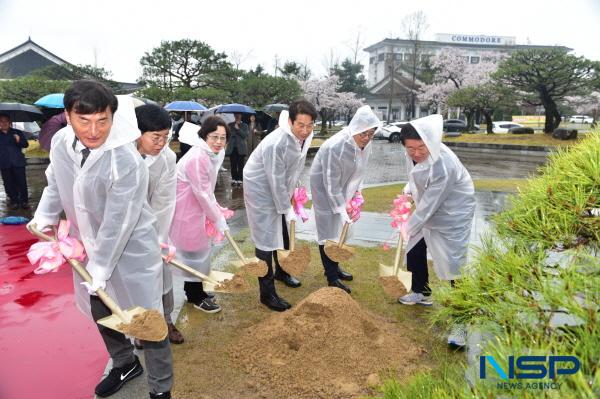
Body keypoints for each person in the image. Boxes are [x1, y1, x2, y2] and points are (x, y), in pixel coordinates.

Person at [28, 81, 173, 398]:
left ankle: (161, 389)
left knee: (149, 319)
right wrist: (45, 214)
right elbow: (56, 182)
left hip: (132, 248)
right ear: (67, 116)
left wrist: (102, 267)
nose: (94, 130)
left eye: (102, 120)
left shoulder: (126, 160)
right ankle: (124, 363)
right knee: (99, 307)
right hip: (88, 241)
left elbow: (118, 223)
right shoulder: (62, 143)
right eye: (84, 120)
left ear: (112, 116)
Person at [397, 114, 475, 347]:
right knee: (415, 249)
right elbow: (418, 179)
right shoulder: (413, 153)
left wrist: (407, 226)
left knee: (454, 266)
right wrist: (408, 191)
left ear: (430, 142)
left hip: (452, 215)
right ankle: (421, 291)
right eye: (410, 148)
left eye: (421, 148)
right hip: (429, 208)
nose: (416, 153)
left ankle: (461, 322)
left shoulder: (445, 163)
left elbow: (431, 203)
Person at [243, 100, 317, 312]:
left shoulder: (305, 136)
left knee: (283, 230)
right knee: (266, 239)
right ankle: (267, 293)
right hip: (260, 188)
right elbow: (274, 179)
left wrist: (294, 192)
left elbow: (294, 168)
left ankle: (282, 271)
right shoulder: (277, 143)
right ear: (290, 122)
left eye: (309, 125)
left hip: (280, 185)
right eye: (300, 125)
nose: (305, 130)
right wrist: (286, 208)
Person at [310, 105, 382, 294]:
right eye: (363, 134)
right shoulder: (336, 146)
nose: (366, 138)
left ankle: (336, 267)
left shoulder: (365, 144)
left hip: (343, 187)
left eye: (371, 133)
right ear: (355, 128)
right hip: (324, 191)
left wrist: (357, 192)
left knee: (339, 229)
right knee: (327, 233)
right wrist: (340, 208)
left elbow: (360, 170)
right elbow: (330, 183)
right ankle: (331, 276)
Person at [134, 104, 184, 346]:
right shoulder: (121, 156)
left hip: (154, 226)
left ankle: (166, 318)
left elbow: (164, 202)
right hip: (122, 229)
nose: (161, 143)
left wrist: (156, 240)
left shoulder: (168, 158)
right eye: (156, 137)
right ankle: (140, 326)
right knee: (132, 282)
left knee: (161, 273)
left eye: (166, 137)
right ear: (137, 133)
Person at [169, 117, 230, 314]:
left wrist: (215, 210)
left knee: (198, 251)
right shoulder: (198, 157)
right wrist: (217, 218)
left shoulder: (209, 153)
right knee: (192, 253)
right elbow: (202, 192)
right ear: (204, 136)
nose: (219, 142)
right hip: (187, 209)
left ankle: (195, 290)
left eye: (223, 137)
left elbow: (206, 191)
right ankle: (196, 296)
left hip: (197, 208)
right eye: (214, 137)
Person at [0, 113, 29, 210]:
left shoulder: (17, 132)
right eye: (1, 121)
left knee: (22, 183)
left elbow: (25, 144)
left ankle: (24, 201)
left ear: (10, 122)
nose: (3, 123)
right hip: (4, 163)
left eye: (6, 121)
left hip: (18, 162)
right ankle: (14, 201)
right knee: (8, 183)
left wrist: (18, 140)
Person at [225, 113, 248, 186]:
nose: (237, 117)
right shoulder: (230, 125)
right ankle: (234, 179)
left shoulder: (245, 125)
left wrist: (238, 129)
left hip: (241, 148)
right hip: (232, 147)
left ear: (241, 116)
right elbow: (228, 135)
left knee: (240, 165)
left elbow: (244, 136)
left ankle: (240, 179)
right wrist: (234, 130)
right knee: (233, 164)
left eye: (239, 115)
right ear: (234, 116)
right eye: (236, 115)